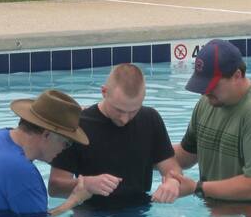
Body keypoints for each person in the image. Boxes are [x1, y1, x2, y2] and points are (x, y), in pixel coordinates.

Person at [155, 39, 251, 202]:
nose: (205, 92)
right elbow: (186, 154)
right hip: (220, 206)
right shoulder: (208, 102)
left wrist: (197, 187)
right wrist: (145, 156)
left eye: (212, 85)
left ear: (237, 75)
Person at [49, 63, 180, 209]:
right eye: (119, 110)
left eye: (133, 111)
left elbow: (172, 170)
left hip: (138, 210)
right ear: (104, 92)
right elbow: (55, 186)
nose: (124, 119)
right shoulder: (79, 125)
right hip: (91, 213)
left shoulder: (150, 119)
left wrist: (172, 182)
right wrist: (86, 184)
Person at [0, 89, 92, 217]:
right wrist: (76, 199)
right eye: (67, 143)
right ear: (47, 134)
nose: (64, 150)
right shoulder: (22, 173)